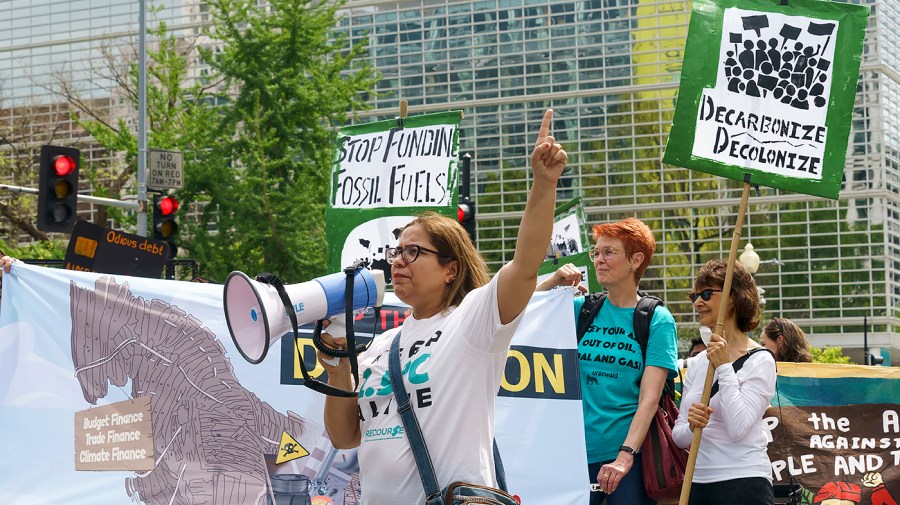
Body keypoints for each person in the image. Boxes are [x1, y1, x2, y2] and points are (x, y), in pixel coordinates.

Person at [317, 109, 567, 504]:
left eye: (413, 251)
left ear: (451, 269)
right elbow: (345, 436)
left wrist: (544, 184)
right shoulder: (381, 345)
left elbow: (524, 265)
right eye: (395, 252)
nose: (398, 261)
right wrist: (339, 371)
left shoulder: (473, 320)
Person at [537, 217, 678, 505]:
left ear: (635, 260)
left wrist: (625, 457)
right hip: (571, 456)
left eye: (609, 252)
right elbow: (520, 313)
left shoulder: (656, 320)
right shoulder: (581, 309)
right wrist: (553, 281)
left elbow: (649, 400)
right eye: (596, 252)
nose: (599, 260)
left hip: (626, 459)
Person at [673, 259, 777, 505]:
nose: (698, 302)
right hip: (697, 484)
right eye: (695, 295)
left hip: (745, 482)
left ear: (733, 297)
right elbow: (678, 437)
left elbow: (739, 427)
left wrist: (724, 367)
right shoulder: (698, 363)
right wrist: (691, 425)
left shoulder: (760, 360)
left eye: (707, 294)